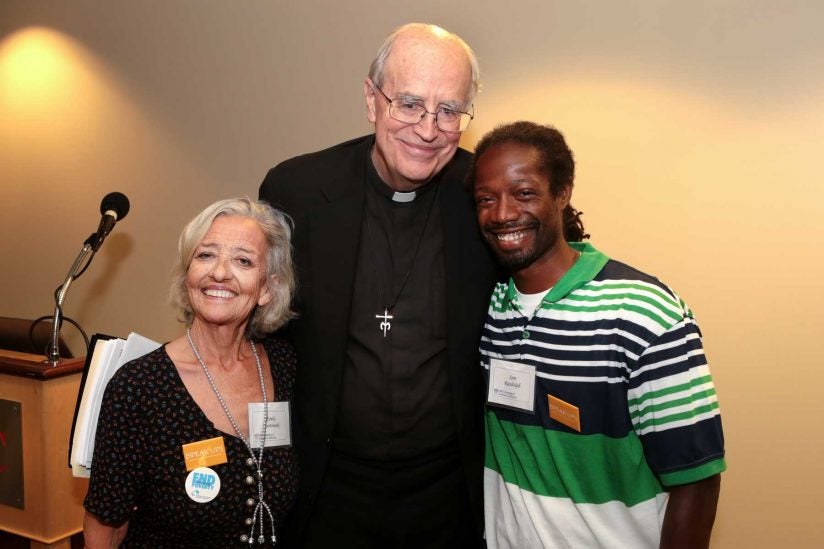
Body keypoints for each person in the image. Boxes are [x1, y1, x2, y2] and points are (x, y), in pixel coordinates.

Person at [259, 23, 497, 548]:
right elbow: (260, 322)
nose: (428, 129)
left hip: (447, 493)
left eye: (449, 111)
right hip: (326, 486)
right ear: (371, 99)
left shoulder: (484, 196)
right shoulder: (296, 190)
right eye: (409, 104)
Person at [469, 121, 726, 549]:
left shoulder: (643, 311)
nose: (503, 214)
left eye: (525, 193)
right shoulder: (490, 307)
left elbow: (696, 481)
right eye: (485, 199)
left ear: (563, 191)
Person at [83, 197, 299, 547]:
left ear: (267, 289)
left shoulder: (281, 365)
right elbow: (106, 525)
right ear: (188, 276)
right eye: (206, 255)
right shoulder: (139, 387)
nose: (219, 272)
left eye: (243, 260)